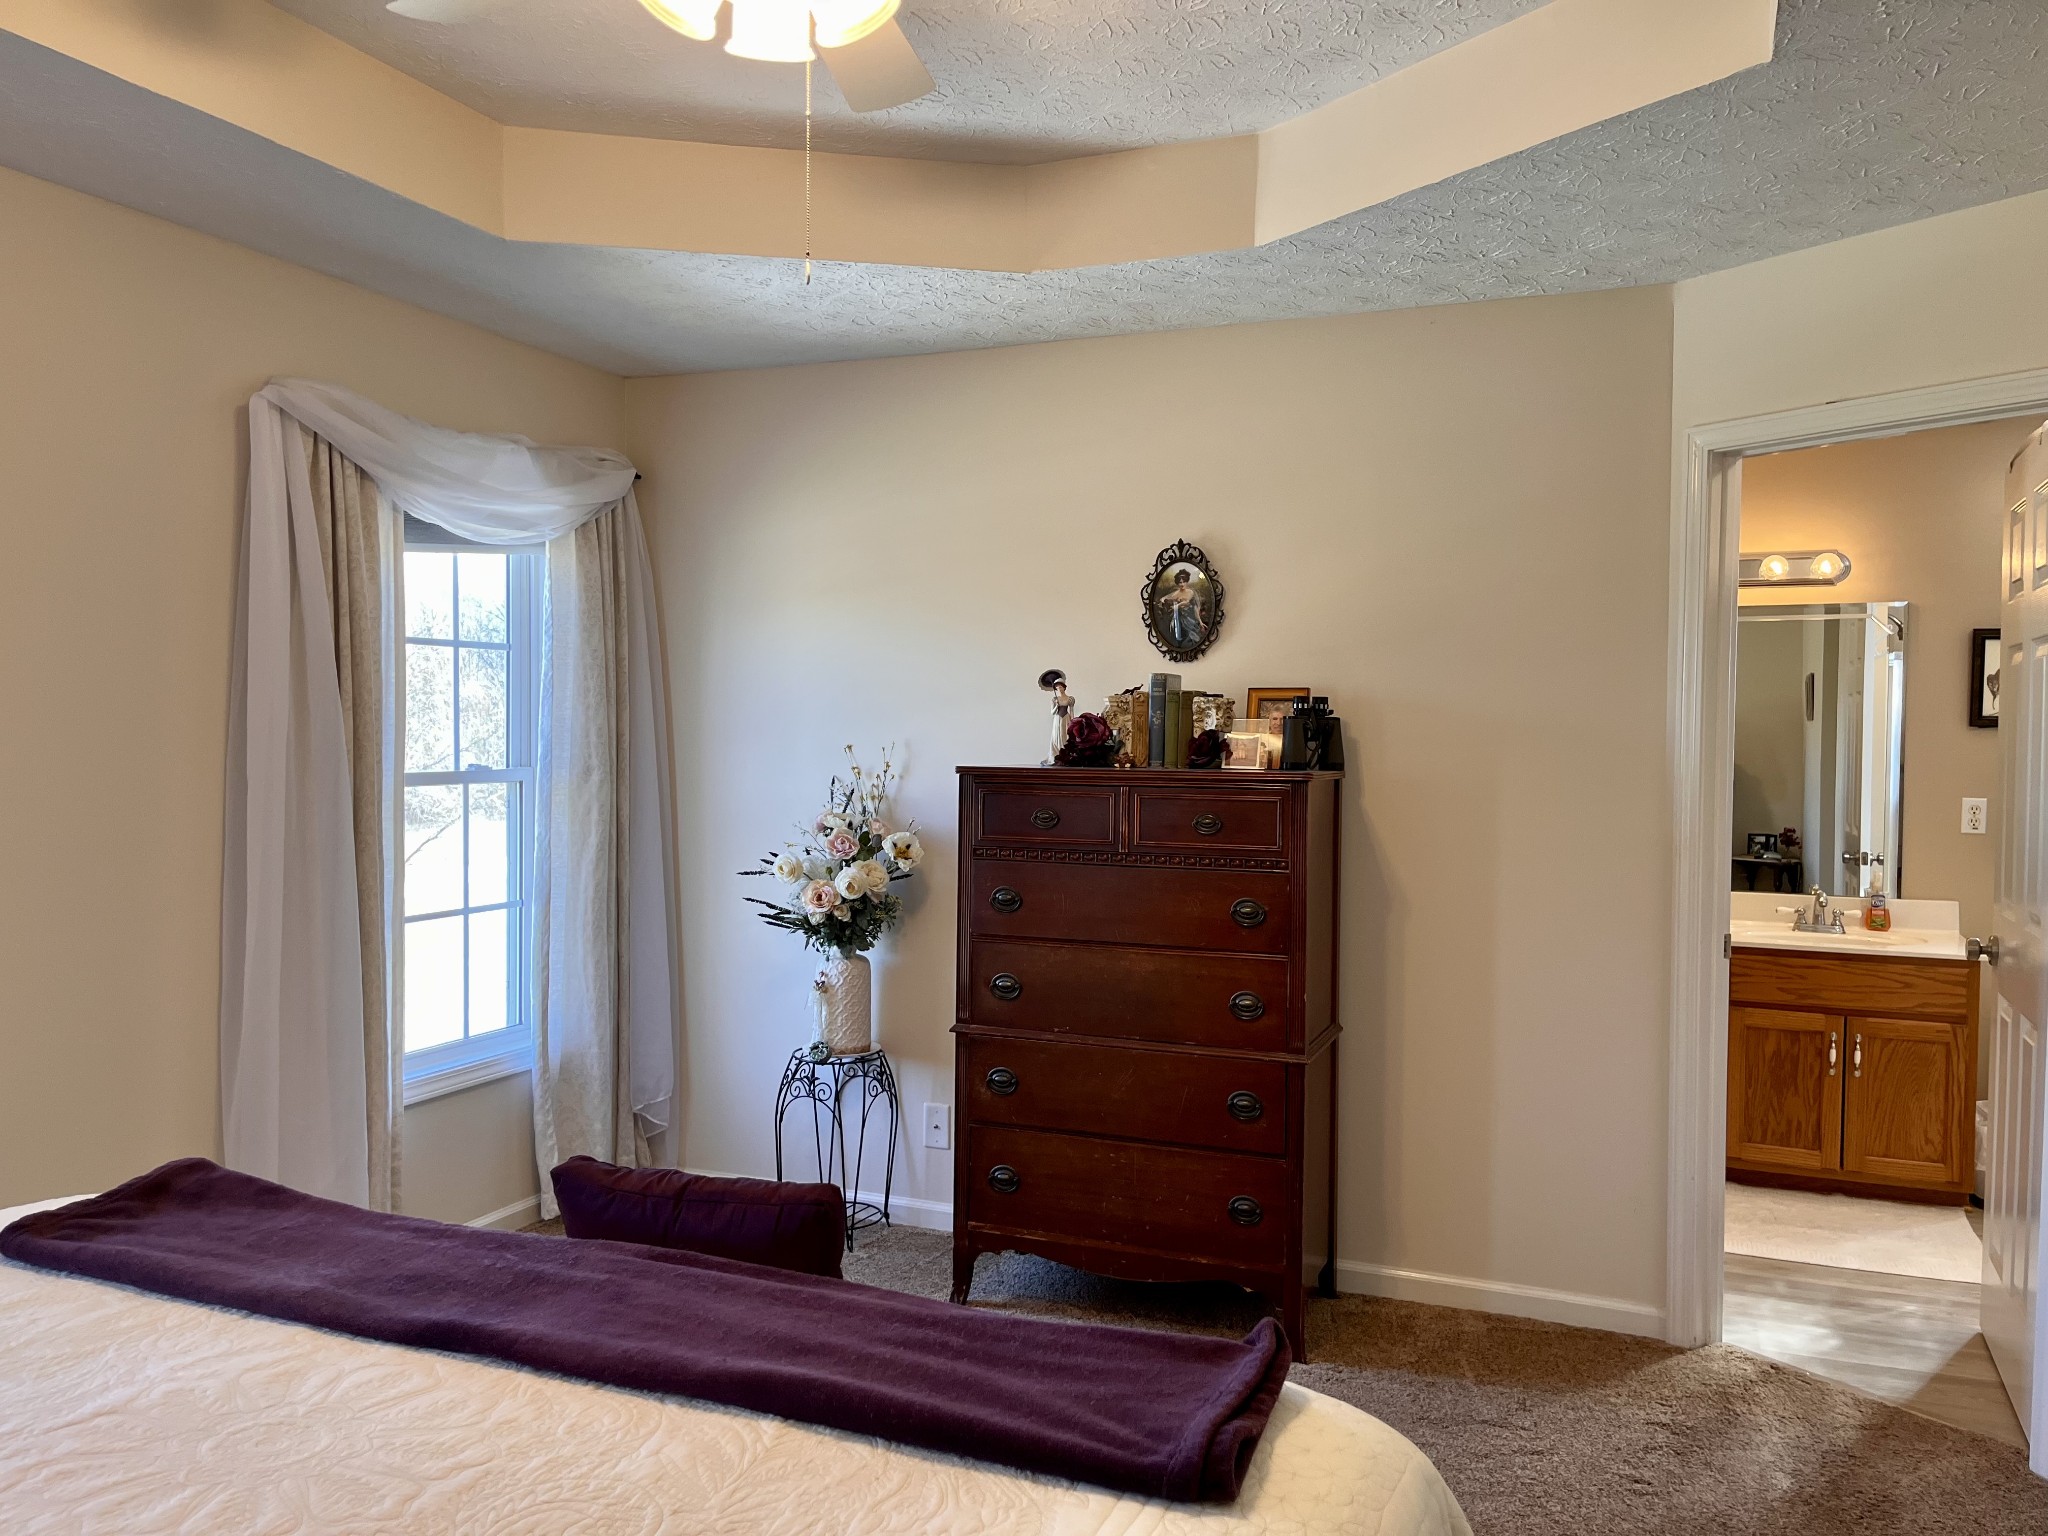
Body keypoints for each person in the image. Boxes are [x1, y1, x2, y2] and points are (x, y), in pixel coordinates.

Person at [1159, 568, 1206, 650]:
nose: (1182, 584)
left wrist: (1201, 622)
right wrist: (1168, 602)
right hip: (1178, 618)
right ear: (1177, 583)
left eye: (1184, 582)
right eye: (1180, 582)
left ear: (1187, 582)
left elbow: (1192, 606)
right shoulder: (1175, 594)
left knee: (1192, 638)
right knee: (1178, 635)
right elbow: (1163, 599)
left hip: (1189, 619)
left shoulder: (1190, 592)